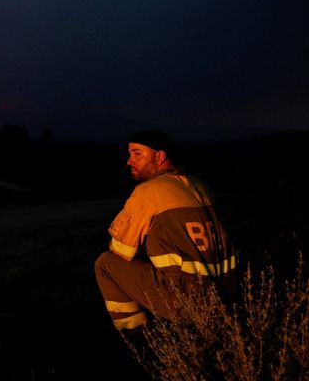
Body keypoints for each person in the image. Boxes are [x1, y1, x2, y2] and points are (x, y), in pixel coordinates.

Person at [95, 129, 237, 331]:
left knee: (106, 264)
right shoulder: (200, 186)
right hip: (228, 293)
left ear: (160, 156)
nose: (129, 161)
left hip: (190, 300)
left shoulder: (150, 191)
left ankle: (138, 336)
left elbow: (120, 250)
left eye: (137, 153)